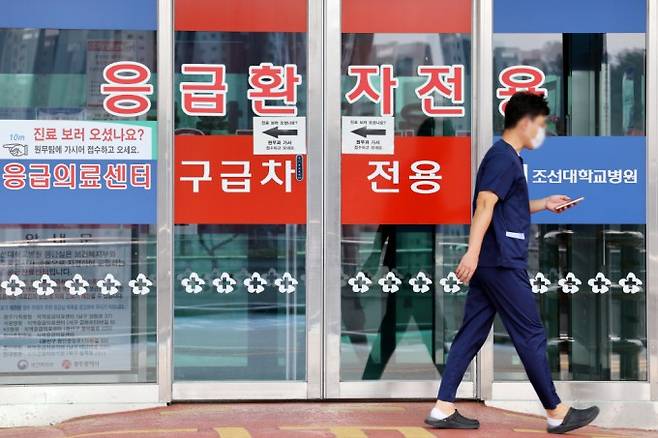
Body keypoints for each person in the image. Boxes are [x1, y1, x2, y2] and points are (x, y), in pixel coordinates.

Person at [425, 92, 599, 434]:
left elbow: (506, 205)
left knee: (471, 333)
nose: (543, 133)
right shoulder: (503, 158)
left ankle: (443, 408)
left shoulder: (507, 158)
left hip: (494, 261)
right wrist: (472, 252)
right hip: (501, 262)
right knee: (531, 333)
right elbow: (485, 205)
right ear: (525, 123)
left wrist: (545, 203)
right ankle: (556, 412)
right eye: (542, 125)